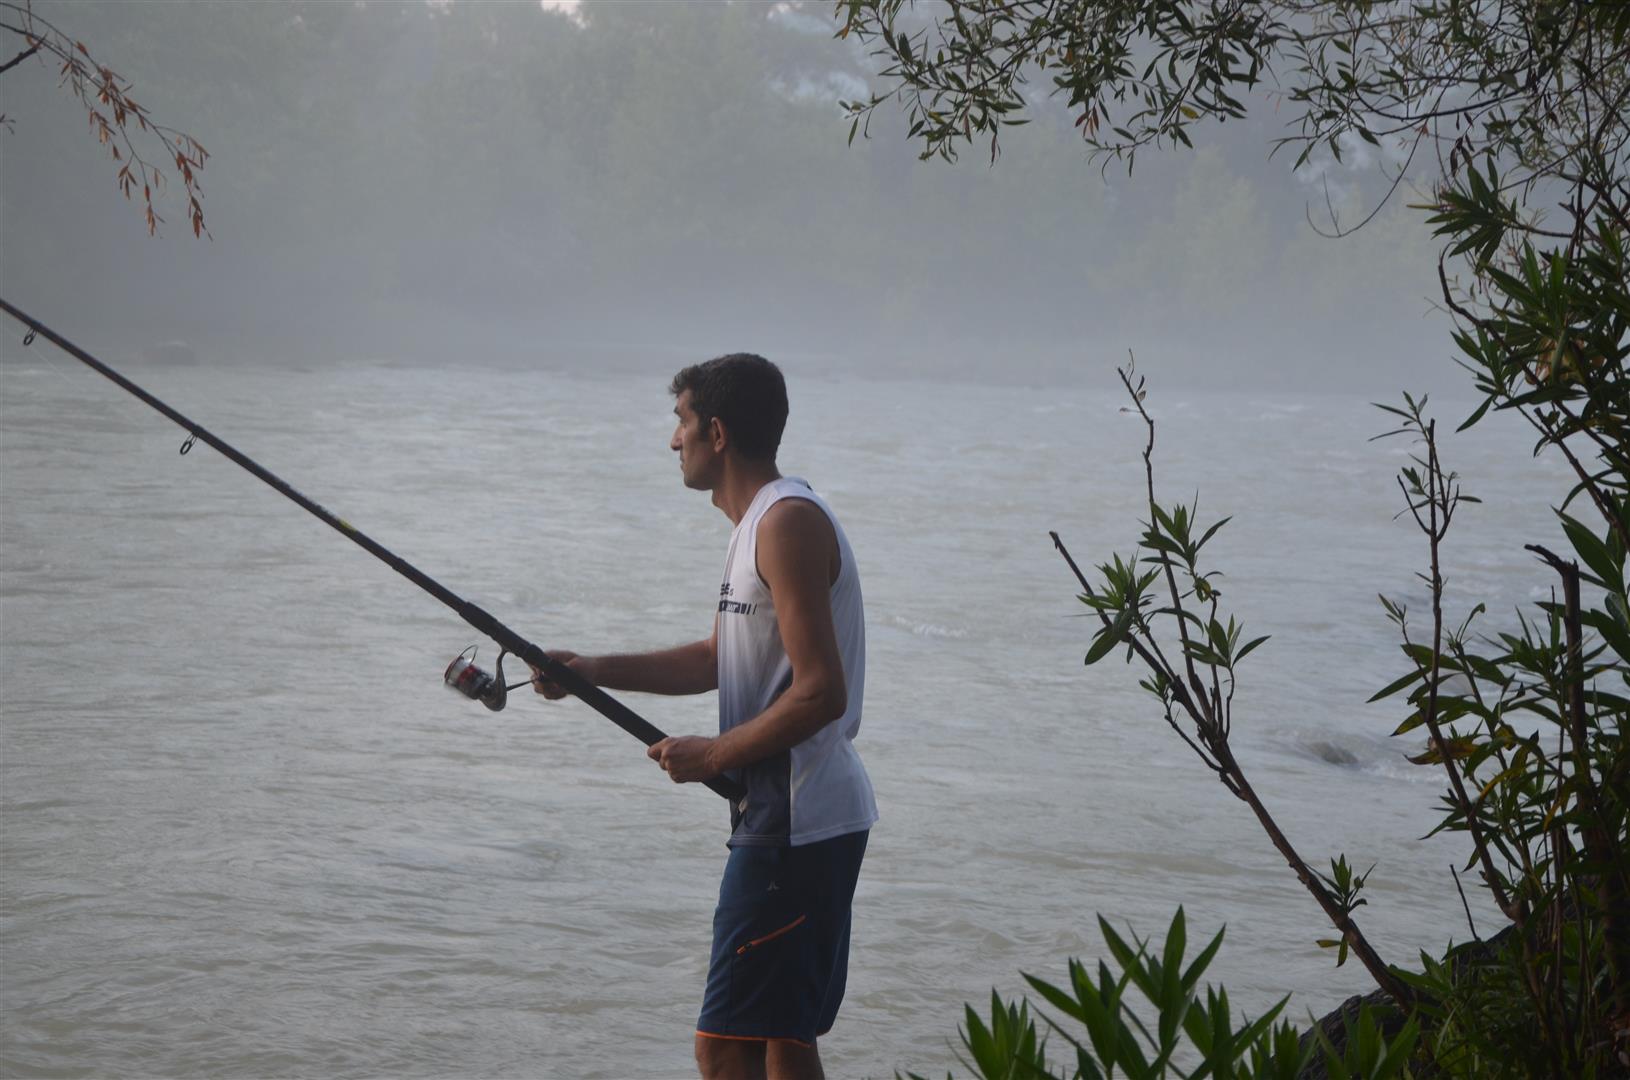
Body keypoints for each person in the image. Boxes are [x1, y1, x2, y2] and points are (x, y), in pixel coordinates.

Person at [530, 353, 877, 1080]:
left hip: (797, 822)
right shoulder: (756, 524)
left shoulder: (785, 522)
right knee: (782, 1039)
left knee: (723, 1047)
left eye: (680, 421)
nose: (673, 440)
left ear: (716, 432)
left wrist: (713, 756)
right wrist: (590, 670)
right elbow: (718, 656)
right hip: (794, 816)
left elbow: (820, 692)